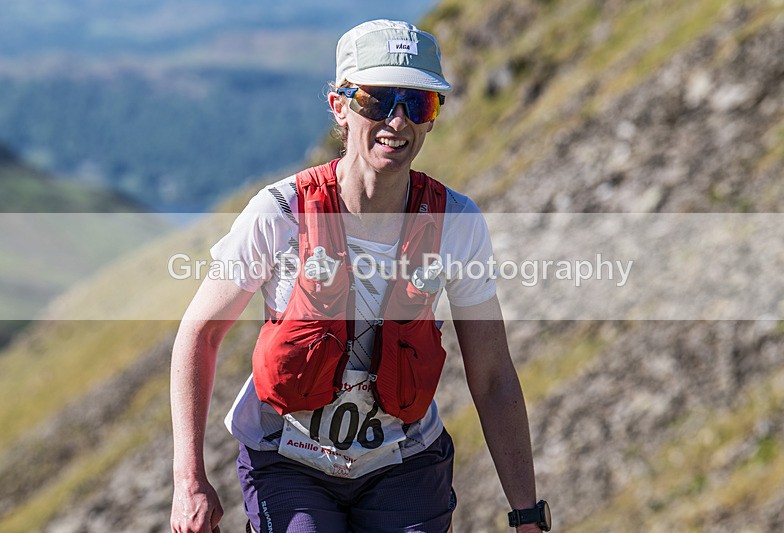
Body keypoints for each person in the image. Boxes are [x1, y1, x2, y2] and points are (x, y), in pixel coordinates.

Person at [170, 19, 549, 533]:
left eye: (419, 103)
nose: (398, 121)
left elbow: (493, 375)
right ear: (339, 108)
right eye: (377, 100)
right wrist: (189, 480)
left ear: (433, 117)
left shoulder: (456, 223)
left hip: (405, 462)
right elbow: (202, 331)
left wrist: (527, 513)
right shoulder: (280, 213)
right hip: (288, 459)